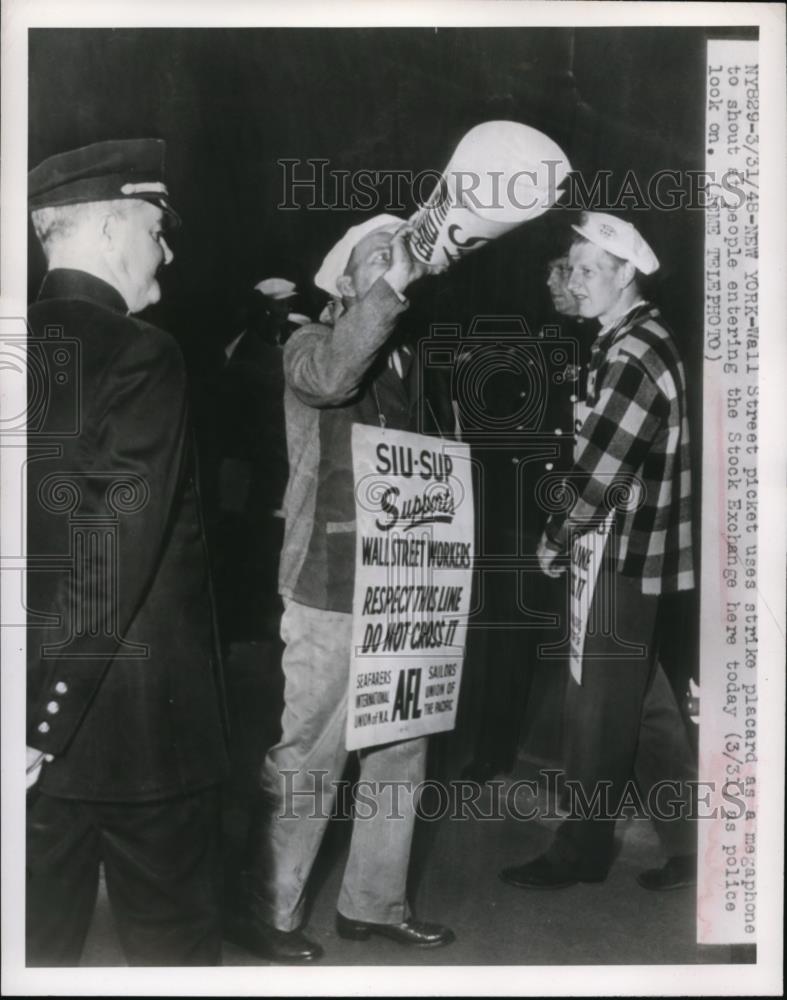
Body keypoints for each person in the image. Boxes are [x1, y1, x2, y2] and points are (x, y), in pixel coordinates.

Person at [227, 215, 456, 962]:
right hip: (327, 588)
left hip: (402, 590)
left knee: (399, 749)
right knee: (310, 755)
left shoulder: (408, 362)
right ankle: (268, 909)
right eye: (376, 259)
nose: (396, 264)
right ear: (346, 282)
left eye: (399, 254)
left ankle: (373, 903)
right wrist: (392, 286)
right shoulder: (309, 345)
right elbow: (330, 381)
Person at [26, 138, 229, 965]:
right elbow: (111, 553)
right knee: (170, 955)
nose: (167, 251)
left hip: (28, 729)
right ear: (112, 228)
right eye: (157, 228)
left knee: (31, 949)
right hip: (140, 741)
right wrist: (48, 719)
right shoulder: (143, 354)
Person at [500, 211, 697, 893]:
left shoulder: (633, 352)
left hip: (620, 554)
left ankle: (580, 850)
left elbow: (601, 472)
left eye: (588, 270)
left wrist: (555, 537)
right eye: (570, 267)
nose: (573, 281)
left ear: (625, 274)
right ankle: (695, 842)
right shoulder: (625, 340)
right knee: (644, 705)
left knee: (595, 709)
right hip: (632, 553)